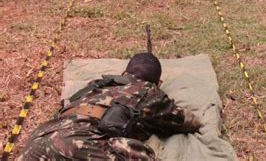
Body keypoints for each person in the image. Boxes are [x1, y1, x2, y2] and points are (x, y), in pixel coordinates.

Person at [19, 53, 202, 160]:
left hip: (38, 139)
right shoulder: (149, 93)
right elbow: (189, 121)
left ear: (124, 73)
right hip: (80, 144)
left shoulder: (96, 85)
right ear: (158, 82)